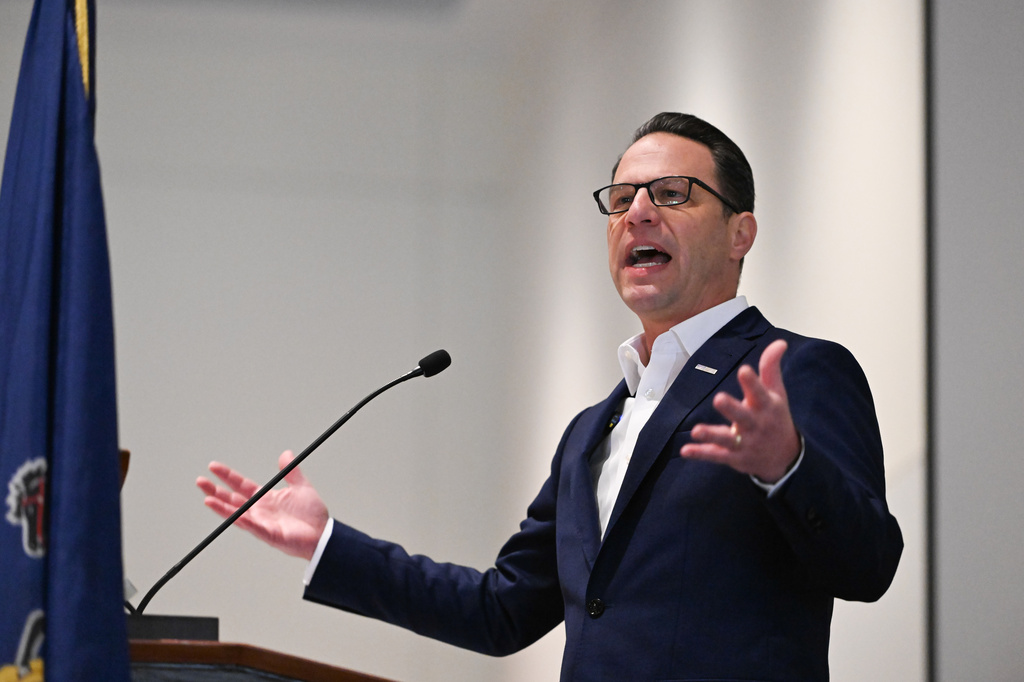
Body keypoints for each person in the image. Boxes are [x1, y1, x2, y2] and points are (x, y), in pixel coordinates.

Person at [197, 112, 903, 681]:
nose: (637, 213)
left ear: (739, 232)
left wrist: (788, 467)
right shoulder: (592, 432)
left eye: (672, 193)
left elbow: (869, 566)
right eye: (621, 200)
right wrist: (329, 544)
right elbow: (501, 610)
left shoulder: (799, 373)